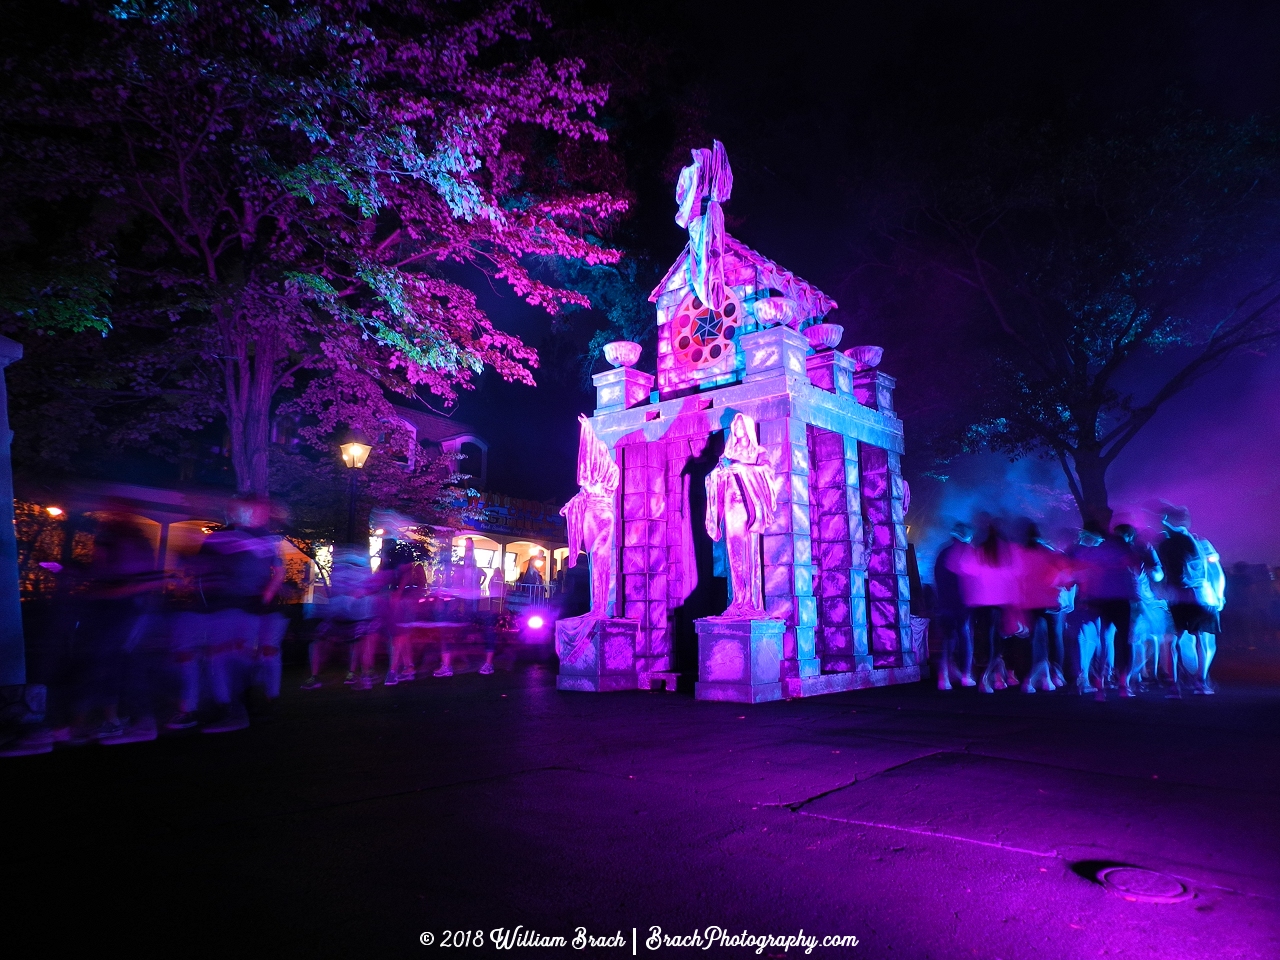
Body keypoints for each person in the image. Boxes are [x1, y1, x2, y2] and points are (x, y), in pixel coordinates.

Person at [1157, 507, 1219, 695]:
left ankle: (1174, 685)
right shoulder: (1198, 542)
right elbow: (1215, 572)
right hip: (1198, 596)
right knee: (1200, 639)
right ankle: (1200, 682)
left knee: (1174, 639)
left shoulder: (1165, 544)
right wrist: (1219, 594)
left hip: (1176, 597)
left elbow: (1161, 573)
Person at [956, 517, 1020, 693]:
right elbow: (1014, 575)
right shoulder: (1005, 551)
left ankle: (988, 678)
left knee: (985, 640)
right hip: (1001, 602)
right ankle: (997, 678)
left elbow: (965, 571)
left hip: (981, 602)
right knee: (998, 641)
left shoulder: (978, 551)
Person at [1012, 521, 1071, 693]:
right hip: (1050, 601)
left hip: (1030, 602)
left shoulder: (1021, 554)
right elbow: (1064, 575)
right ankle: (1056, 674)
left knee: (1034, 639)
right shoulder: (1049, 552)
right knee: (1055, 637)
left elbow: (1017, 579)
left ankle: (1034, 673)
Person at [933, 522, 976, 690]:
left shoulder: (943, 552)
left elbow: (937, 578)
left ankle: (943, 678)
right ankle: (966, 675)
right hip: (963, 602)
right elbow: (972, 579)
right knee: (965, 635)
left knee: (947, 638)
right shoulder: (967, 552)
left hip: (945, 601)